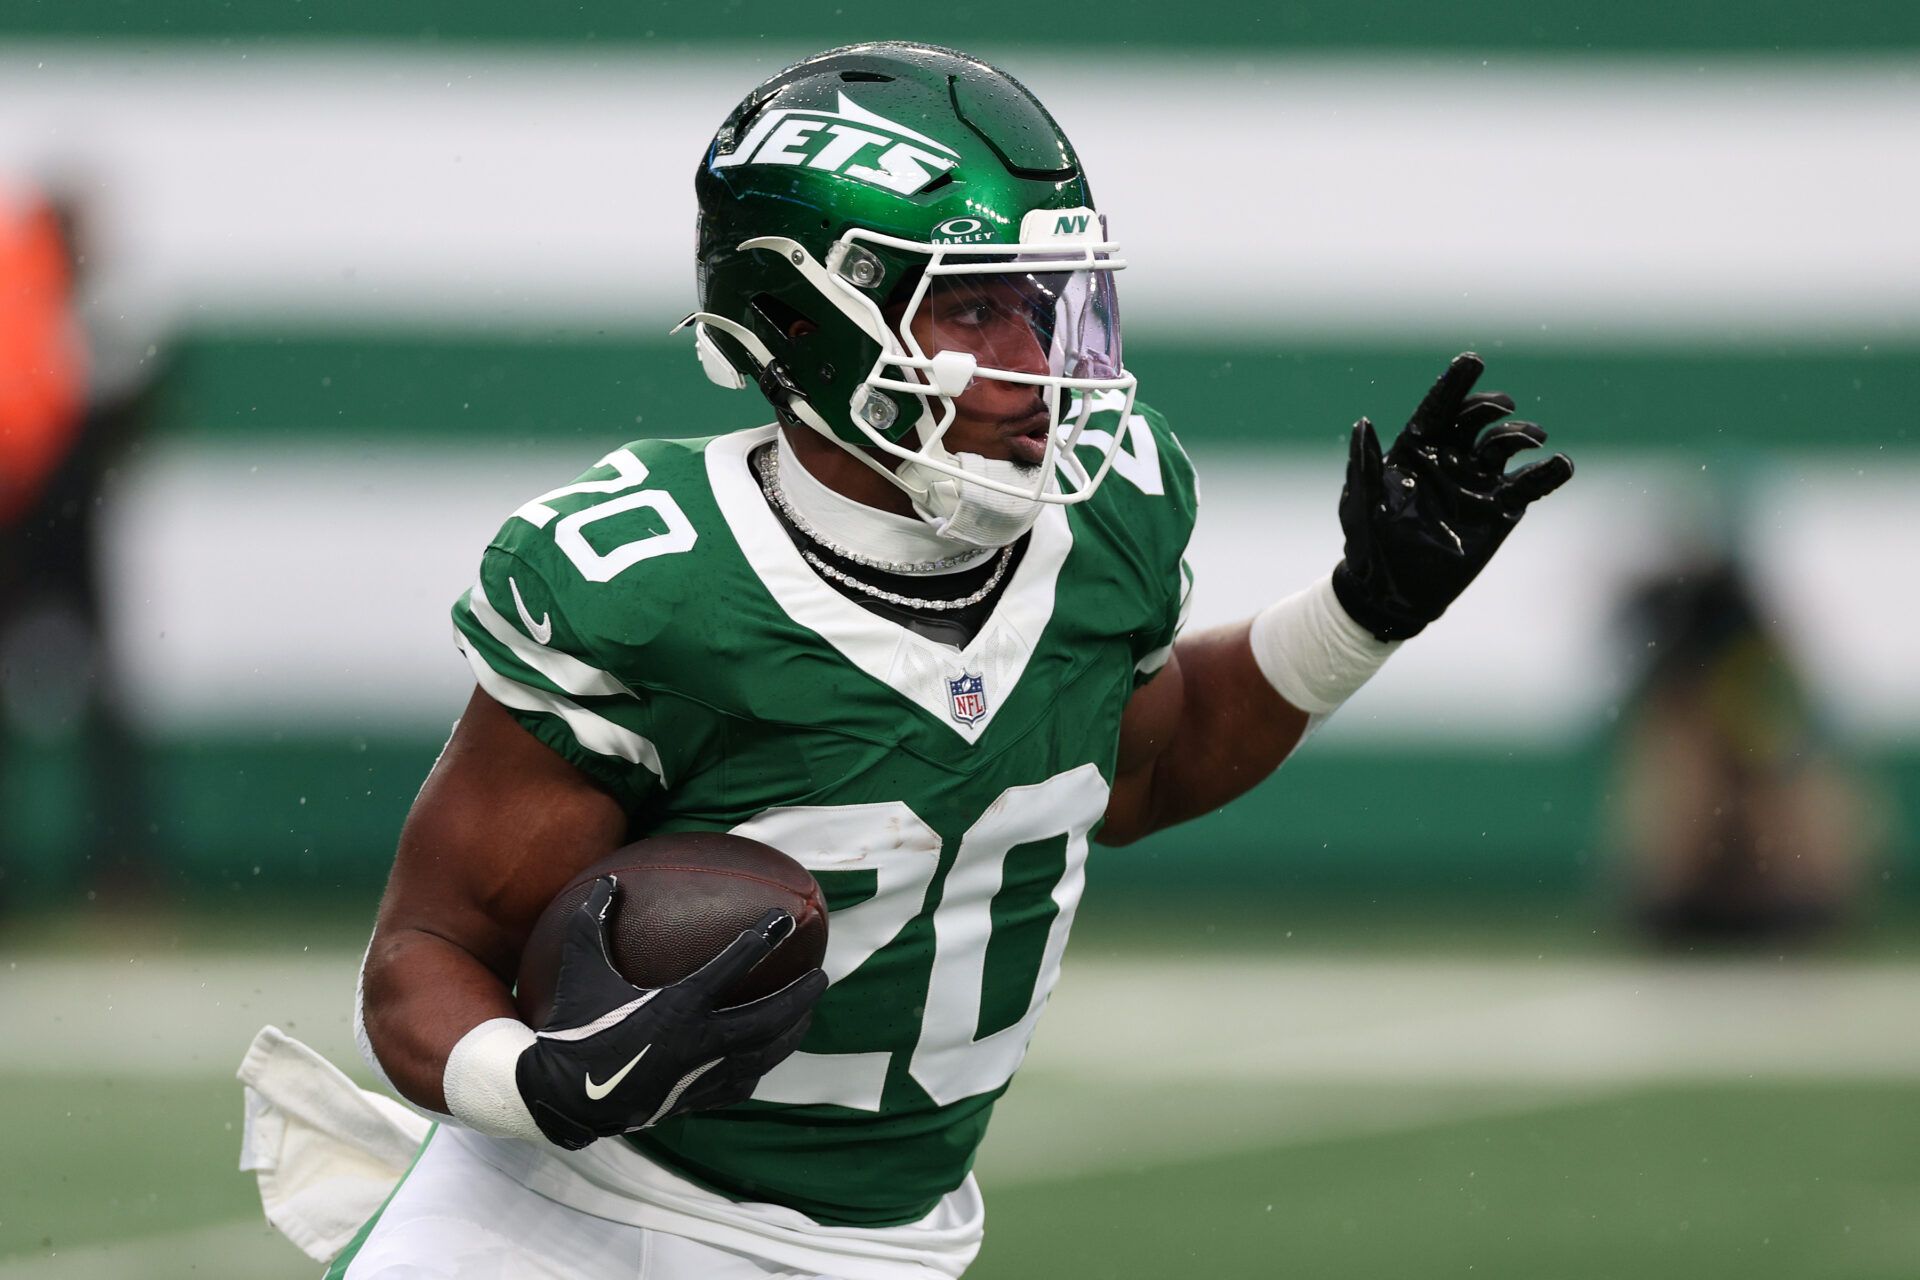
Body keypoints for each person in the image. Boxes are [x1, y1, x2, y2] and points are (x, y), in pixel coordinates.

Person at [344, 41, 1572, 1280]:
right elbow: (423, 957)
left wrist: (1361, 610)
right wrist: (540, 1078)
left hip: (895, 1249)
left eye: (1049, 302)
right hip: (562, 1222)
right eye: (979, 305)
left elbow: (1139, 769)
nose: (1039, 363)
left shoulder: (1111, 515)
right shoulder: (651, 583)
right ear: (805, 313)